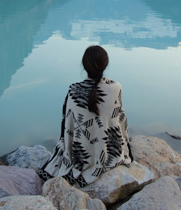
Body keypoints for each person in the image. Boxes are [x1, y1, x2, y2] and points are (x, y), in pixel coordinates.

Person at [38, 45, 133, 187]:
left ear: (84, 65)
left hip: (81, 154)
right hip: (110, 150)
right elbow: (120, 120)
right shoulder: (116, 88)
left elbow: (67, 127)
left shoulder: (73, 91)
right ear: (105, 65)